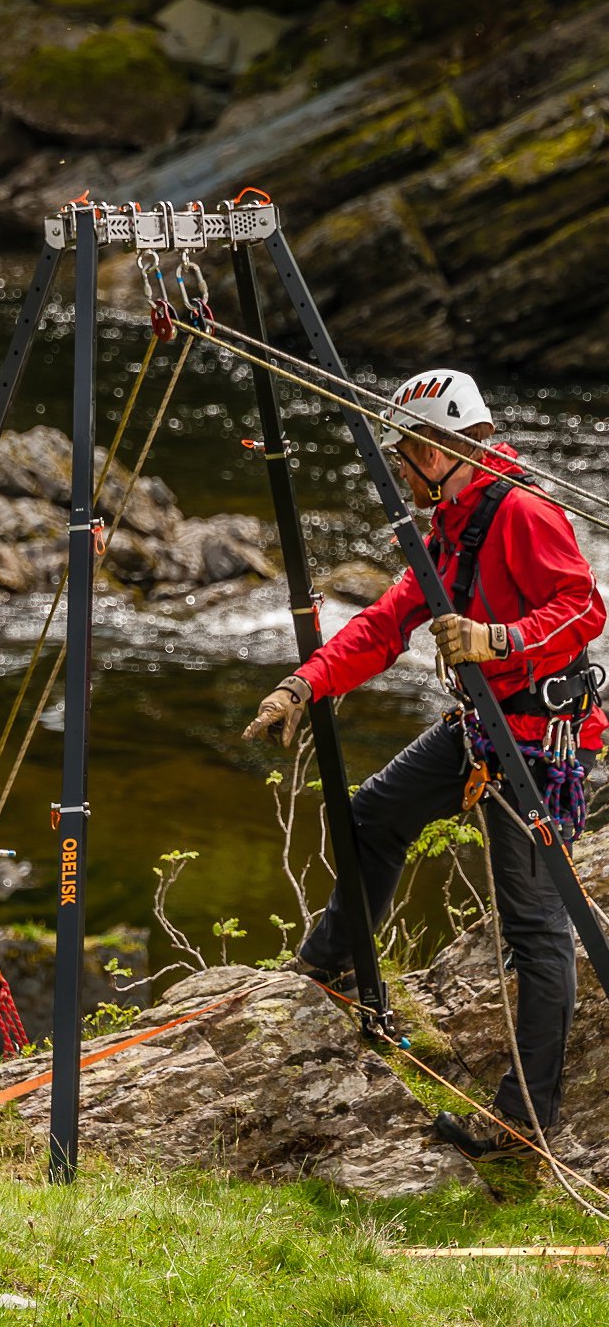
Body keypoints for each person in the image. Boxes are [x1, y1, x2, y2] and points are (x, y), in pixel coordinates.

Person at [243, 368, 607, 1162]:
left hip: (537, 742)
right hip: (486, 729)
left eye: (409, 451)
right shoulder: (452, 523)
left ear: (445, 447)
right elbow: (386, 622)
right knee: (374, 814)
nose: (402, 467)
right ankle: (333, 961)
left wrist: (496, 639)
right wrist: (302, 685)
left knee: (536, 931)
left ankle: (523, 1127)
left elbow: (584, 607)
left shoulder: (523, 512)